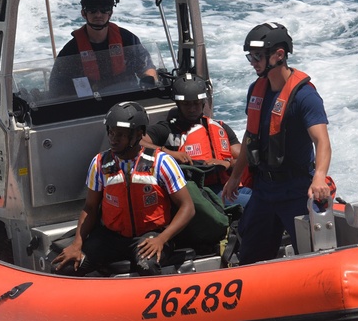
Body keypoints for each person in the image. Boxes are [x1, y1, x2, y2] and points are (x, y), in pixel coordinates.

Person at [221, 22, 333, 264]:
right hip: (264, 191)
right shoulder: (256, 90)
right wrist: (235, 177)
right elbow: (250, 136)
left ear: (279, 55)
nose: (252, 61)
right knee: (249, 256)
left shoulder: (305, 96)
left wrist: (320, 177)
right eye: (250, 56)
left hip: (295, 191)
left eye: (257, 56)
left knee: (312, 258)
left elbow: (321, 140)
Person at [53, 101, 195, 276]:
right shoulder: (99, 163)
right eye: (111, 133)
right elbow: (90, 208)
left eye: (120, 134)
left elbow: (187, 207)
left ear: (138, 134)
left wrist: (161, 239)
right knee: (64, 267)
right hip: (111, 237)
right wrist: (77, 244)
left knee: (147, 266)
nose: (113, 139)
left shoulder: (162, 162)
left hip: (149, 236)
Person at [141, 72, 250, 205]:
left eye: (196, 103)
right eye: (187, 104)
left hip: (230, 186)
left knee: (269, 197)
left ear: (203, 103)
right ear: (178, 104)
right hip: (203, 193)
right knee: (259, 204)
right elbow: (138, 141)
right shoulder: (168, 129)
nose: (192, 109)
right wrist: (169, 153)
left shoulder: (221, 127)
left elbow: (244, 157)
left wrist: (227, 164)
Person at [48, 0, 157, 97]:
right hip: (90, 108)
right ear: (83, 13)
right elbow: (57, 88)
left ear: (110, 13)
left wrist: (149, 80)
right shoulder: (71, 51)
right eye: (92, 9)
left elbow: (147, 67)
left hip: (128, 102)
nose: (98, 14)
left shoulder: (128, 39)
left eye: (104, 9)